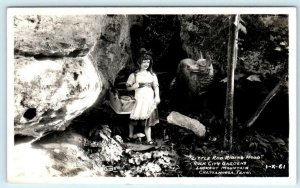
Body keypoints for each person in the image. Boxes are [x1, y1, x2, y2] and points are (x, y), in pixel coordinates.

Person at [126, 49, 160, 145]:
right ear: (139, 63)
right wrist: (134, 86)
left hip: (149, 98)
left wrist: (157, 97)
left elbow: (156, 87)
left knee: (148, 119)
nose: (146, 64)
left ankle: (149, 139)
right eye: (144, 62)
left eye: (148, 62)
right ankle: (130, 136)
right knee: (134, 118)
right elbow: (128, 88)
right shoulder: (134, 75)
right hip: (138, 98)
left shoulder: (152, 75)